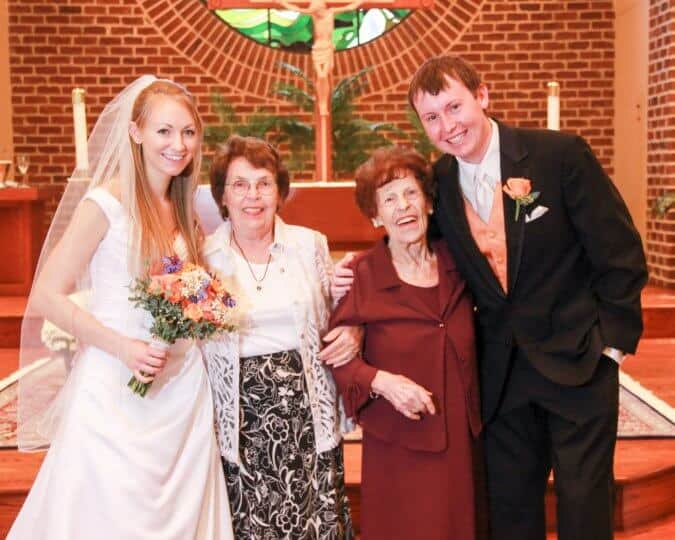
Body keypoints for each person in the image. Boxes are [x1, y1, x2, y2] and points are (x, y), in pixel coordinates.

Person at [334, 55, 648, 540]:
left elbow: (620, 252)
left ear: (482, 97)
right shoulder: (436, 182)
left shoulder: (559, 157)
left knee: (585, 507)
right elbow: (412, 242)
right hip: (499, 376)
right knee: (510, 511)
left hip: (580, 361)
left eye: (454, 107)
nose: (448, 126)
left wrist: (613, 346)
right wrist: (357, 277)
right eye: (432, 118)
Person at [9, 76, 233, 539]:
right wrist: (122, 347)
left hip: (182, 387)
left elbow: (197, 287)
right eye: (164, 131)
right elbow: (47, 293)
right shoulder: (105, 204)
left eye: (188, 132)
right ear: (135, 133)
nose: (178, 144)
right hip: (115, 384)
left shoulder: (185, 209)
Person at [201, 134, 356, 539]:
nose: (253, 196)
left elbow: (342, 310)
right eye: (239, 185)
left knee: (314, 520)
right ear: (222, 197)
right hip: (242, 419)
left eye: (263, 183)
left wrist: (353, 328)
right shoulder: (204, 258)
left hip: (307, 410)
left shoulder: (310, 245)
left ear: (279, 191)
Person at [327, 146, 482, 540]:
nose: (403, 207)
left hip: (464, 440)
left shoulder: (460, 262)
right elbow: (338, 359)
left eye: (411, 193)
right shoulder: (361, 274)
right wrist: (382, 381)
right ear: (376, 216)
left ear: (429, 203)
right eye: (389, 199)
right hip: (400, 443)